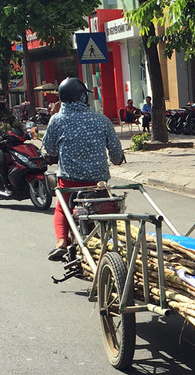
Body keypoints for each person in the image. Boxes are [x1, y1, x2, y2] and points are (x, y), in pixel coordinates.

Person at [44, 77, 124, 262]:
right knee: (105, 211)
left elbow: (49, 149)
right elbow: (116, 154)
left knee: (62, 209)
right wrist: (117, 160)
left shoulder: (57, 120)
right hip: (98, 182)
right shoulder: (101, 120)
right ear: (82, 98)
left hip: (69, 181)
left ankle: (62, 242)